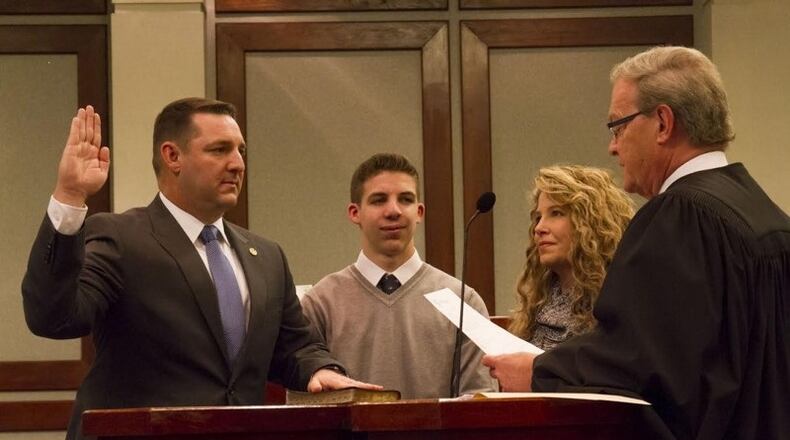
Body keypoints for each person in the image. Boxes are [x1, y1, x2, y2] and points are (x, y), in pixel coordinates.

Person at [21, 98, 378, 440]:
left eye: (241, 151)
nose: (238, 164)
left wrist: (320, 369)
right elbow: (53, 316)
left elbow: (295, 346)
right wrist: (69, 196)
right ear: (173, 156)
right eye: (220, 150)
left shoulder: (266, 257)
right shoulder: (120, 237)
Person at [483, 46, 790, 439]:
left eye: (619, 126)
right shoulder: (767, 213)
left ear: (663, 123)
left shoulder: (681, 215)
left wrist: (538, 372)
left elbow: (641, 363)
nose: (613, 146)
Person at [301, 153, 495, 398]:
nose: (393, 211)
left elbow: (479, 403)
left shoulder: (463, 302)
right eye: (379, 200)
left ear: (419, 212)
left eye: (405, 199)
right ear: (354, 213)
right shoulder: (320, 303)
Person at [509, 165, 633, 351]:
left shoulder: (620, 301)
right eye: (538, 217)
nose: (539, 228)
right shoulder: (537, 304)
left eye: (556, 213)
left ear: (592, 222)